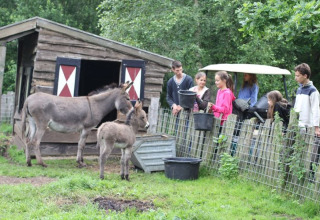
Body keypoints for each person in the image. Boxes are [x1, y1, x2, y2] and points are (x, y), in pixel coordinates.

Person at [294, 63, 320, 178]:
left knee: (310, 152)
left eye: (298, 76)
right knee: (299, 150)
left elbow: (316, 110)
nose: (296, 78)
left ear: (305, 75)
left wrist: (316, 127)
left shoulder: (313, 91)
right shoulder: (299, 89)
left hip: (308, 126)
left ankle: (310, 176)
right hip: (298, 124)